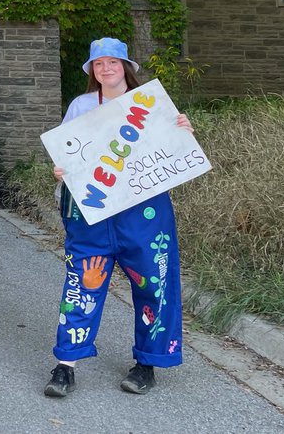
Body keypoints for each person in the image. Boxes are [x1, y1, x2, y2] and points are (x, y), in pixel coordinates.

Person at [45, 37, 190, 398]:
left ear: (125, 66)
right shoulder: (81, 105)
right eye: (98, 64)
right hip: (91, 213)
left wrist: (183, 132)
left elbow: (172, 151)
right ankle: (66, 365)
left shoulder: (151, 103)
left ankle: (147, 364)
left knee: (154, 283)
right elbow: (66, 153)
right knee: (81, 283)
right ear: (92, 71)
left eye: (112, 62)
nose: (105, 69)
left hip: (144, 212)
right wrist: (60, 171)